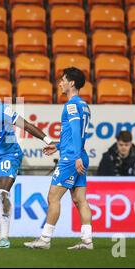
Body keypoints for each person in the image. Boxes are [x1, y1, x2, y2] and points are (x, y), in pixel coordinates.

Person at [0, 81, 53, 249]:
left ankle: (5, 237)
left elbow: (26, 125)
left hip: (10, 154)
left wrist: (48, 140)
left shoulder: (2, 110)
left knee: (2, 193)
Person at [24, 67, 93, 250]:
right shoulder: (84, 106)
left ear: (71, 83)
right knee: (80, 199)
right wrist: (58, 145)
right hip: (79, 155)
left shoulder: (71, 105)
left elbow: (77, 132)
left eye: (63, 80)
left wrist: (75, 156)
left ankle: (45, 239)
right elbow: (73, 135)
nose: (60, 83)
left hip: (71, 158)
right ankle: (87, 241)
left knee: (53, 197)